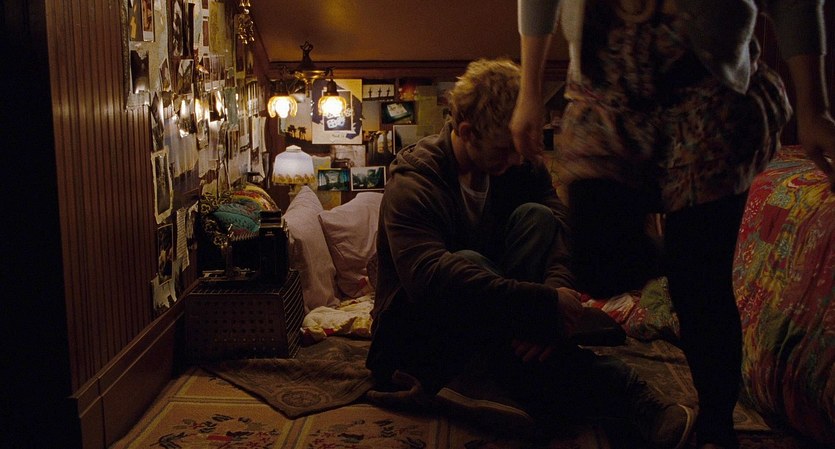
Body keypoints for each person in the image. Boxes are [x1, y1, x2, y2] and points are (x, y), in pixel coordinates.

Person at [510, 1, 835, 448]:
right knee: (597, 268)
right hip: (607, 94)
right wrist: (529, 90)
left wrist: (814, 109)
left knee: (702, 291)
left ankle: (716, 428)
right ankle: (684, 265)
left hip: (710, 98)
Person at [366, 58, 695, 449]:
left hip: (496, 325)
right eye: (506, 149)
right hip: (418, 337)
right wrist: (541, 307)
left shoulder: (517, 162)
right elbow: (429, 277)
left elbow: (561, 228)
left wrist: (550, 306)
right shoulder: (414, 181)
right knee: (467, 263)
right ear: (467, 132)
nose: (517, 160)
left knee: (536, 217)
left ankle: (487, 385)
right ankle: (625, 393)